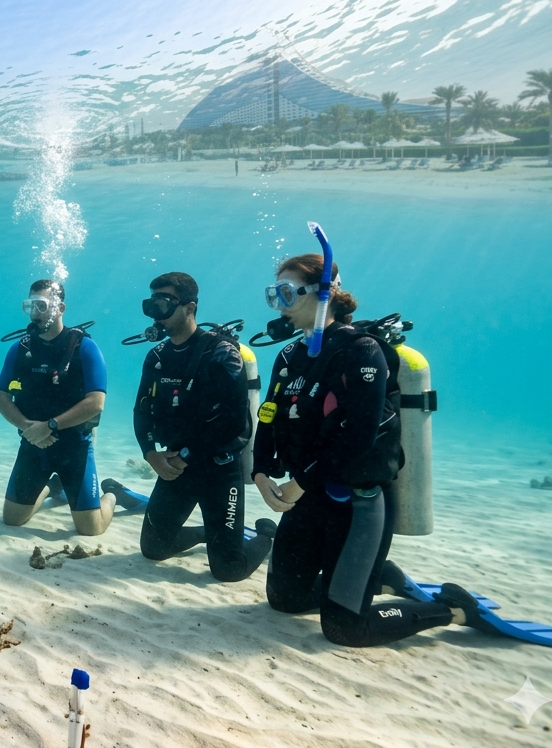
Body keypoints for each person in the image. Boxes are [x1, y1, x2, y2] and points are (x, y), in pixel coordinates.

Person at [253, 253, 470, 647]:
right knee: (284, 600)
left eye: (286, 293)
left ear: (323, 293)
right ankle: (376, 579)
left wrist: (299, 483)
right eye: (273, 295)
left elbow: (359, 434)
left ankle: (452, 608)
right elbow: (269, 415)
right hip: (307, 496)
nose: (278, 305)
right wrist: (260, 471)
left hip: (356, 502)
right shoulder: (289, 356)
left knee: (344, 629)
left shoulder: (362, 350)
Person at [104, 272, 274, 581]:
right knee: (154, 548)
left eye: (163, 305)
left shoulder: (222, 353)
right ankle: (207, 534)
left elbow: (236, 423)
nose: (156, 315)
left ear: (189, 307)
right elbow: (141, 410)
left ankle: (265, 535)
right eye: (151, 305)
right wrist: (150, 454)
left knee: (229, 570)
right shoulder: (157, 356)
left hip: (219, 470)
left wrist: (186, 456)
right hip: (175, 467)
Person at [0, 280, 113, 535]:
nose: (35, 313)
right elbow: (1, 398)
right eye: (30, 306)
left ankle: (113, 494)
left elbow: (96, 402)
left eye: (42, 305)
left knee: (90, 529)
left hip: (75, 445)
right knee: (12, 520)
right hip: (33, 442)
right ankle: (52, 487)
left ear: (60, 308)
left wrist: (50, 425)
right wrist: (27, 426)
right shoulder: (20, 349)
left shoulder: (84, 347)